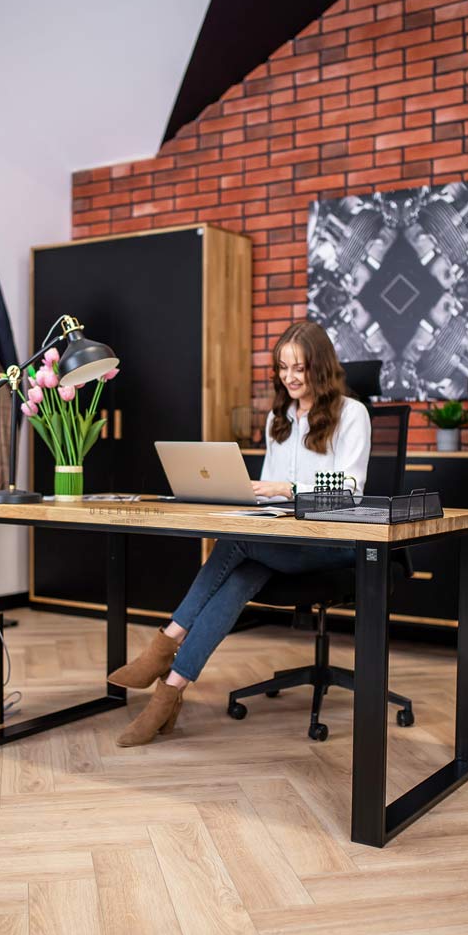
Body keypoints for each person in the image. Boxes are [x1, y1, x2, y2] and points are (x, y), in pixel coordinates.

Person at [109, 320, 371, 747]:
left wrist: (289, 489)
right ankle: (170, 691)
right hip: (282, 539)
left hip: (335, 541)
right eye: (283, 368)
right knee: (241, 570)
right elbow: (267, 494)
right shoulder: (279, 418)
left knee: (241, 544)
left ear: (320, 368)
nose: (289, 377)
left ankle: (164, 644)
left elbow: (351, 490)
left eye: (299, 368)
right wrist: (250, 498)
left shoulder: (351, 413)